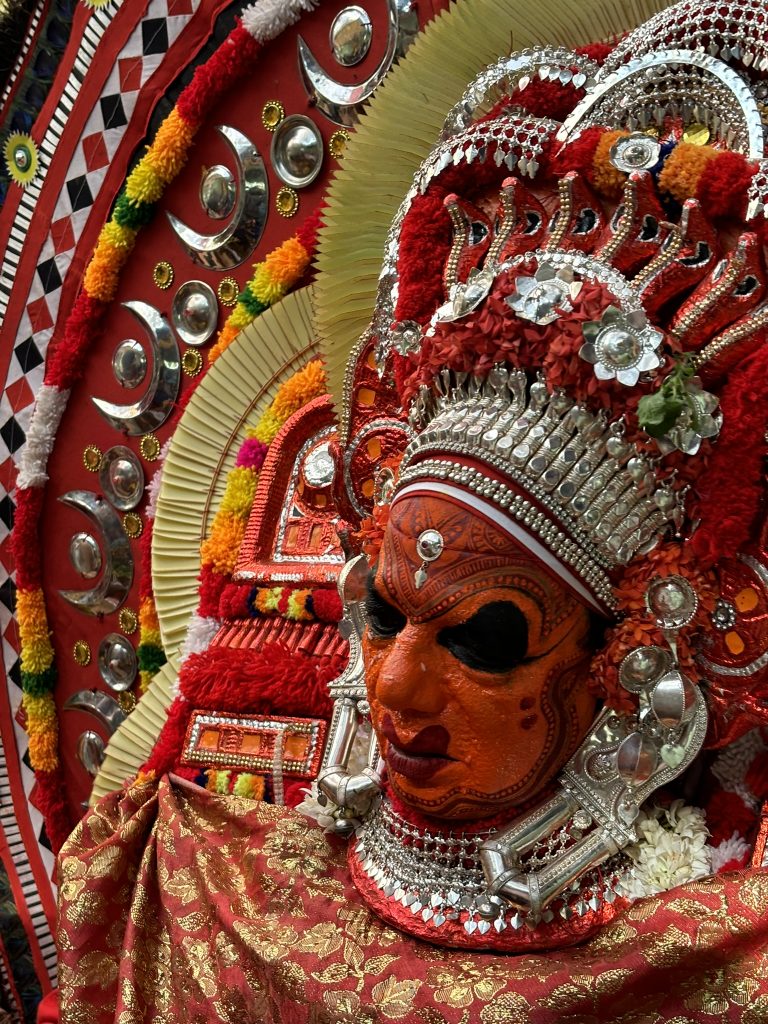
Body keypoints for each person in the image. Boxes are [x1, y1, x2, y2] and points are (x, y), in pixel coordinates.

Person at [57, 0, 768, 1019]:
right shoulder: (204, 885)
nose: (392, 681)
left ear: (629, 669)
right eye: (384, 612)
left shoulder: (716, 975)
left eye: (484, 638)